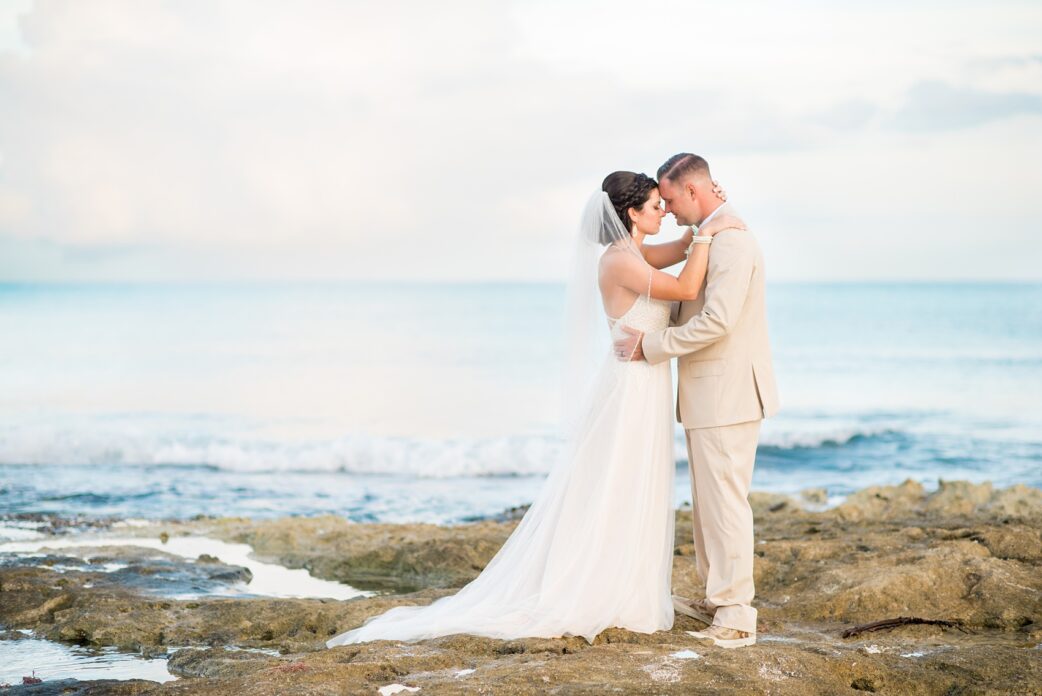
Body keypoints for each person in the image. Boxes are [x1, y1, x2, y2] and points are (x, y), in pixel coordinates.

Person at [613, 153, 780, 649]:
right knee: (710, 503)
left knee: (725, 503)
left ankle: (735, 613)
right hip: (711, 393)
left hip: (727, 393)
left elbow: (717, 321)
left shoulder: (730, 241)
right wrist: (696, 236)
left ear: (691, 191)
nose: (665, 207)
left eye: (668, 199)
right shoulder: (712, 235)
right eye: (656, 202)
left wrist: (652, 346)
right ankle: (718, 596)